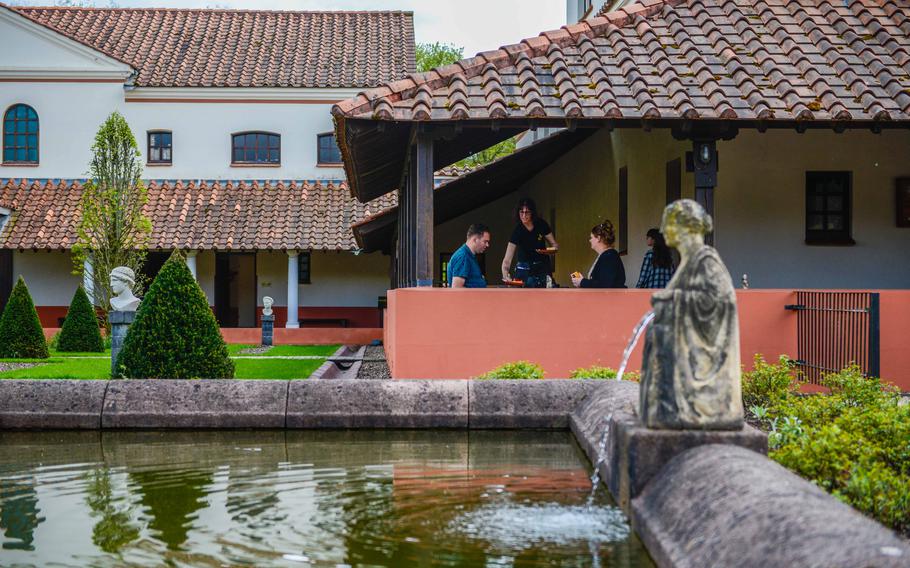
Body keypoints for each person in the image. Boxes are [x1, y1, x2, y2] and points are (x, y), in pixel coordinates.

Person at [639, 199, 744, 430]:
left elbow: (717, 302)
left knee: (661, 335)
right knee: (657, 333)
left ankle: (678, 407)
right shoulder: (688, 262)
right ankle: (665, 407)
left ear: (683, 227)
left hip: (705, 347)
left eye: (667, 224)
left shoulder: (706, 260)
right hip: (690, 340)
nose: (664, 230)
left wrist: (673, 300)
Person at [501, 198, 558, 287]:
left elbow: (554, 245)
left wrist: (550, 251)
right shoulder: (517, 231)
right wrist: (505, 275)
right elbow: (507, 260)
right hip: (524, 268)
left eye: (527, 212)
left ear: (532, 212)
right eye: (521, 212)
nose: (524, 215)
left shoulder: (541, 224)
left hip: (542, 266)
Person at [571, 220, 626, 288]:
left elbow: (605, 285)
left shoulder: (609, 256)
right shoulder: (606, 255)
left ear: (598, 238)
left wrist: (582, 282)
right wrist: (581, 282)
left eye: (591, 237)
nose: (589, 240)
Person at [448, 223, 491, 288]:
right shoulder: (463, 256)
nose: (487, 245)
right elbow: (457, 289)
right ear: (475, 239)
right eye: (485, 241)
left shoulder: (470, 255)